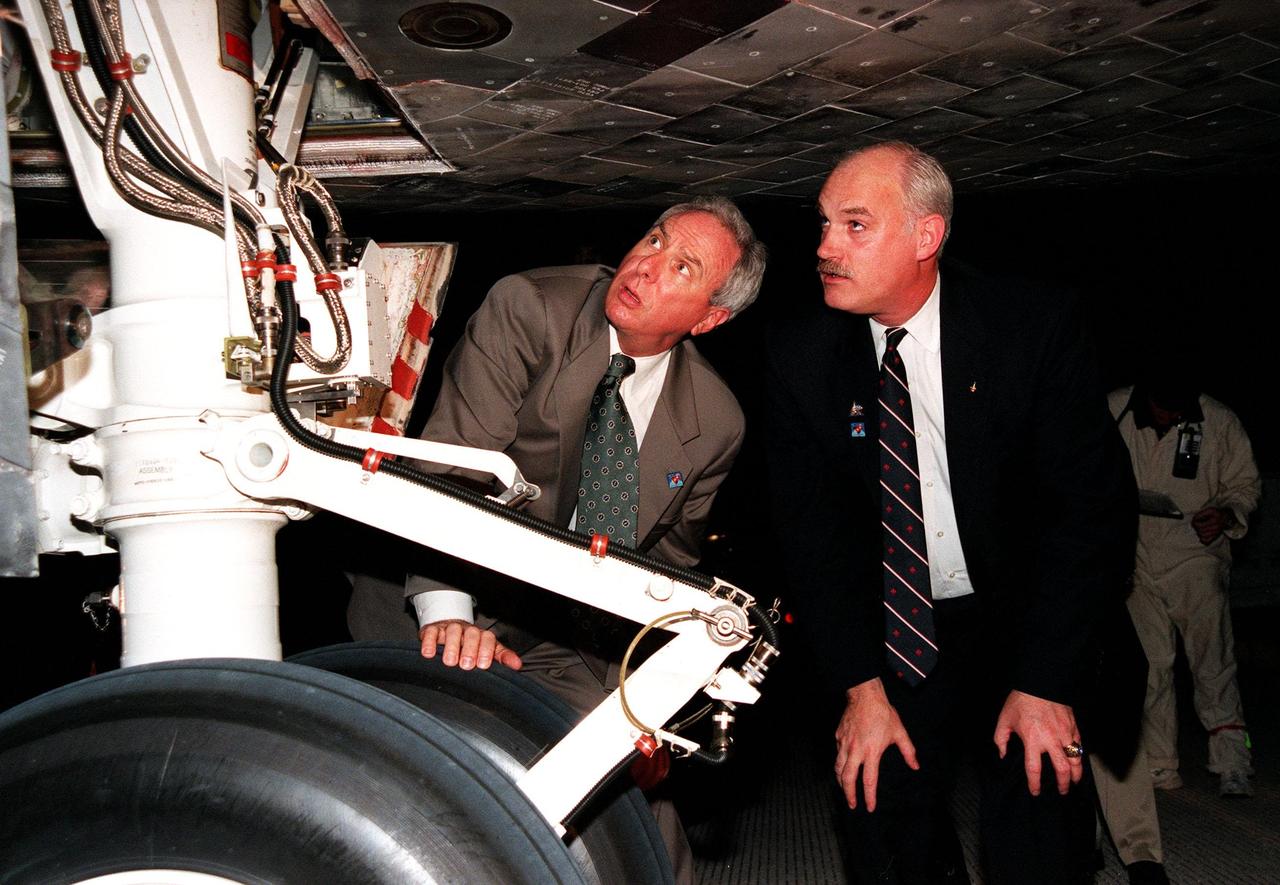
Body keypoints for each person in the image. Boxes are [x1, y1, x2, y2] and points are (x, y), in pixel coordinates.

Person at [346, 196, 765, 883]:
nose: (646, 264)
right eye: (654, 238)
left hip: (565, 630)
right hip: (435, 589)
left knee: (626, 793)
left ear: (711, 317)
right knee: (415, 812)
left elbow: (669, 569)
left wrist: (652, 705)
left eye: (681, 266)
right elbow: (451, 468)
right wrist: (452, 614)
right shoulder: (530, 308)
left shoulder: (716, 421)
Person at [765, 142, 1135, 885]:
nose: (825, 247)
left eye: (855, 225)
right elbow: (813, 541)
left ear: (926, 237)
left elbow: (1090, 513)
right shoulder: (799, 354)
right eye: (825, 223)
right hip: (892, 628)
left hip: (1024, 620)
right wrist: (859, 690)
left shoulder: (1029, 325)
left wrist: (1047, 681)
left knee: (1042, 828)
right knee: (885, 824)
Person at [1109, 371, 1261, 799]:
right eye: (1162, 408)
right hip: (1136, 556)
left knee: (1212, 661)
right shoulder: (1114, 409)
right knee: (1152, 665)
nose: (1170, 416)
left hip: (1196, 555)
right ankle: (1159, 764)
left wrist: (1227, 513)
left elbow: (1244, 485)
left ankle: (1233, 762)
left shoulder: (1218, 419)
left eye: (1178, 410)